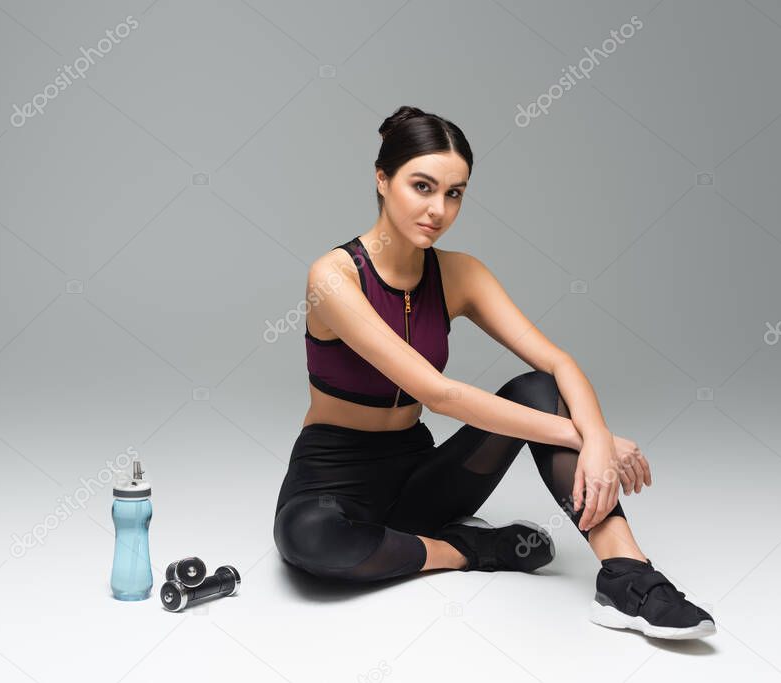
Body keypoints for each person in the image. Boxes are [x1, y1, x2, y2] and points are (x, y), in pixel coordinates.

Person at [272, 105, 715, 640]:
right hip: (333, 481)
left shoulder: (460, 274)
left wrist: (596, 437)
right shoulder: (336, 276)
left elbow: (557, 362)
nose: (438, 209)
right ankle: (471, 548)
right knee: (308, 540)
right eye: (422, 186)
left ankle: (628, 576)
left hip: (418, 481)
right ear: (382, 179)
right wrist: (585, 437)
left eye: (454, 193)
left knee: (539, 390)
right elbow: (437, 393)